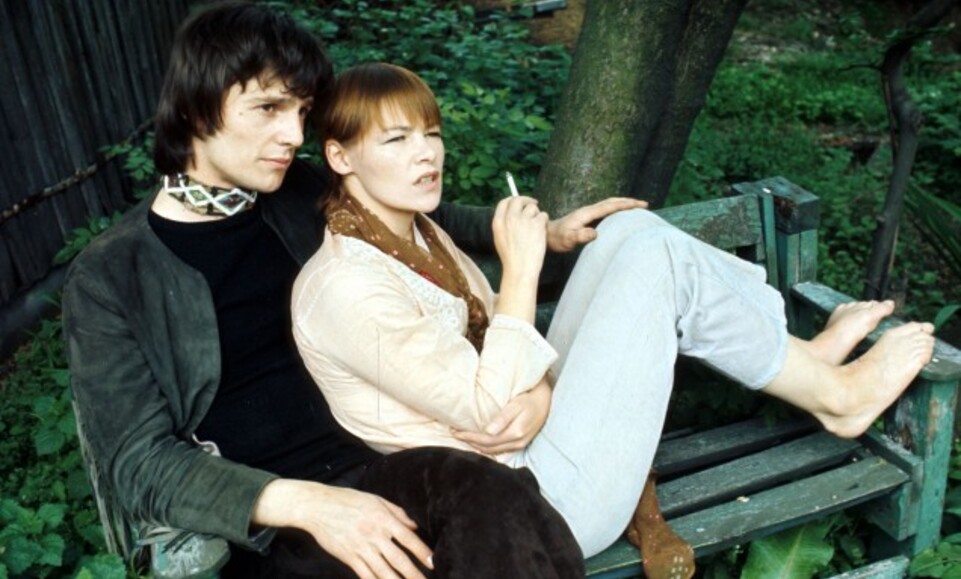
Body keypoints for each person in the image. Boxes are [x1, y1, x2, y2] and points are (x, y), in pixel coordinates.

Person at [62, 4, 642, 578]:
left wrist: (543, 232)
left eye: (302, 111)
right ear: (195, 106)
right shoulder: (112, 275)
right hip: (270, 529)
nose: (294, 135)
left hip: (386, 466)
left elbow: (417, 214)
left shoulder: (295, 191)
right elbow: (138, 464)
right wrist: (314, 506)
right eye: (268, 108)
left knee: (487, 495)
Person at [291, 62, 938, 566]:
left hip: (534, 435)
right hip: (530, 502)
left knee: (630, 230)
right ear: (341, 157)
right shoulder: (345, 288)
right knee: (650, 259)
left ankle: (801, 360)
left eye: (431, 134)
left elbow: (507, 376)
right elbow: (488, 410)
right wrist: (522, 270)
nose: (427, 154)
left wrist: (542, 392)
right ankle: (836, 395)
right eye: (397, 139)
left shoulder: (415, 230)